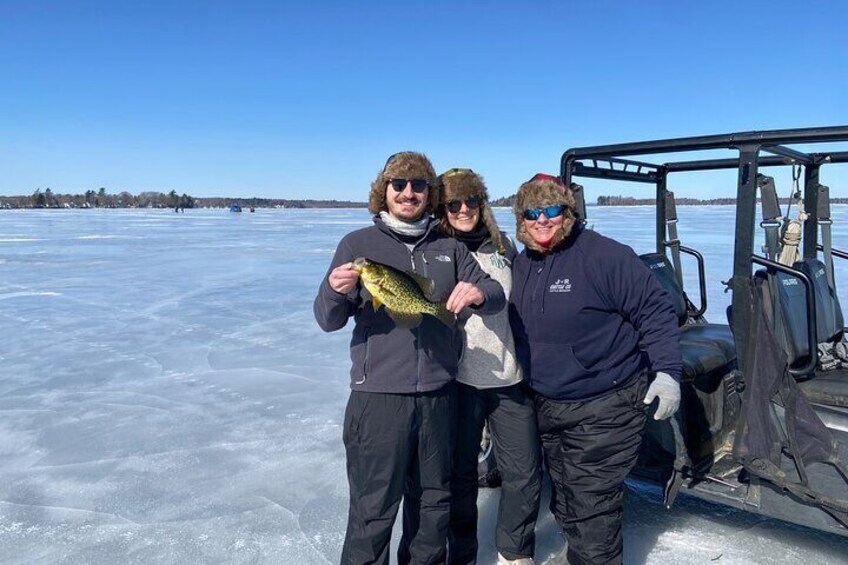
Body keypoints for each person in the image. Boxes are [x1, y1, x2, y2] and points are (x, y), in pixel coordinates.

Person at [313, 152, 506, 565]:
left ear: (429, 193)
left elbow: (494, 293)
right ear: (383, 191)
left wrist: (478, 293)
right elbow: (328, 319)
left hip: (438, 398)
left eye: (418, 185)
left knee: (432, 509)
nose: (408, 192)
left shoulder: (448, 247)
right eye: (398, 184)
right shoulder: (357, 244)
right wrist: (333, 288)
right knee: (372, 512)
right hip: (379, 400)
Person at [508, 174, 682, 565]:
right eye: (532, 212)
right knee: (567, 502)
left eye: (550, 210)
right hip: (550, 404)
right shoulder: (522, 263)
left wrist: (668, 372)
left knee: (591, 510)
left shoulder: (604, 256)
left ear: (566, 212)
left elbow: (654, 309)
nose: (542, 220)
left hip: (606, 403)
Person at [434, 168, 541, 565]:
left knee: (524, 472)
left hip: (508, 377)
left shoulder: (503, 246)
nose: (464, 210)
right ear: (442, 208)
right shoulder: (437, 249)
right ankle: (462, 553)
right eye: (454, 203)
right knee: (461, 476)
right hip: (460, 379)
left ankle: (514, 551)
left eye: (472, 201)